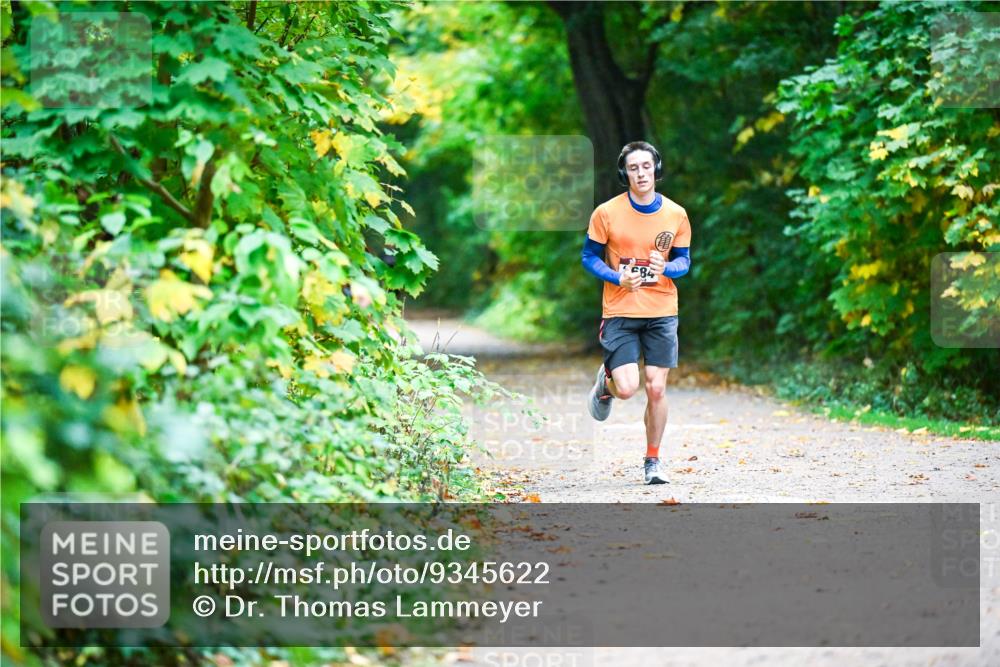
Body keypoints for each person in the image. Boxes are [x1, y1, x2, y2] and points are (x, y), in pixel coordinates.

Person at [581, 141, 691, 485]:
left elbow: (684, 261)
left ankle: (653, 461)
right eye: (633, 168)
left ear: (656, 169)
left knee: (656, 388)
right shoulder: (606, 213)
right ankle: (606, 384)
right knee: (628, 388)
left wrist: (666, 268)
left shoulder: (676, 214)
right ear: (624, 173)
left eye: (646, 166)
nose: (641, 173)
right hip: (620, 310)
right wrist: (618, 277)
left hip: (662, 309)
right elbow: (589, 256)